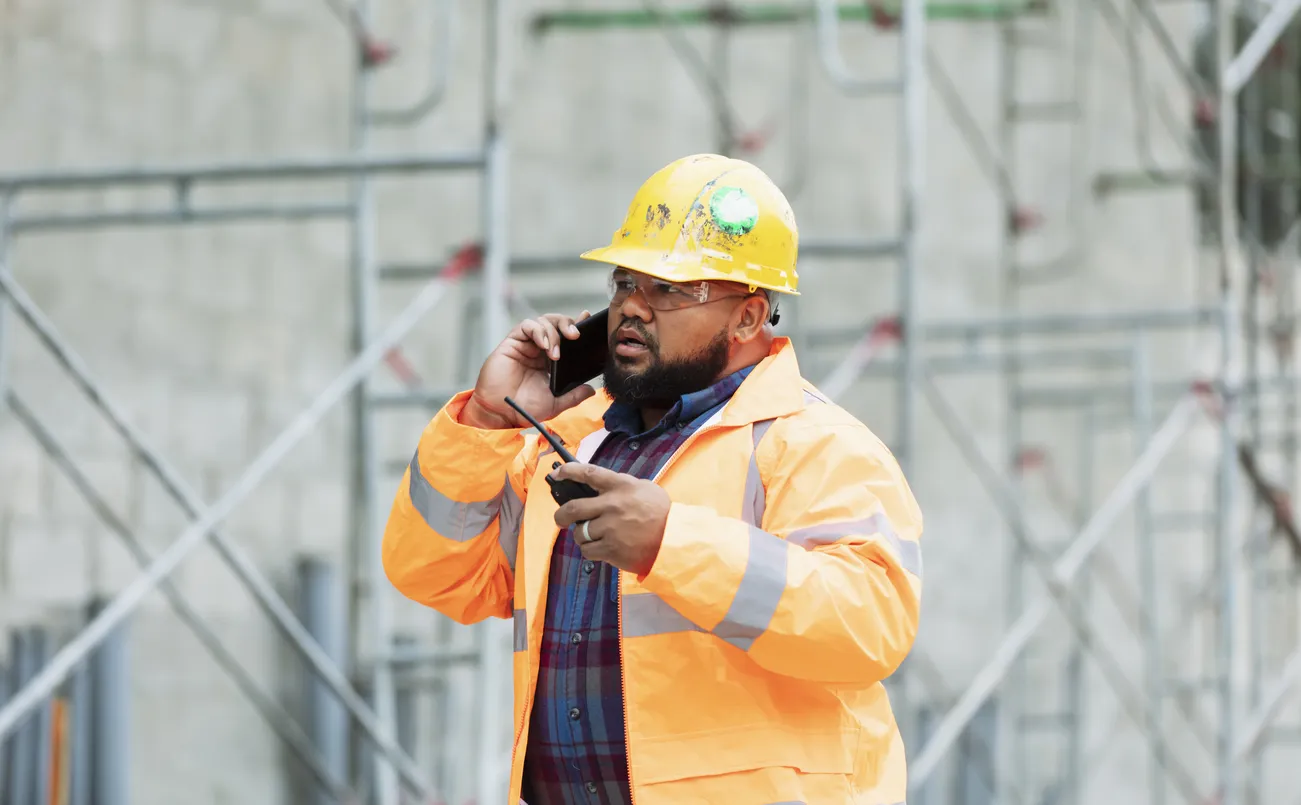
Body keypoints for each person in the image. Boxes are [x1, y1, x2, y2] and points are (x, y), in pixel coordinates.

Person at [381, 154, 924, 805]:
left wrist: (670, 543)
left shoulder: (811, 442)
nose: (631, 308)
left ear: (749, 318)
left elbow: (867, 629)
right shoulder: (572, 442)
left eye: (669, 289)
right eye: (624, 283)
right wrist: (487, 421)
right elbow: (435, 574)